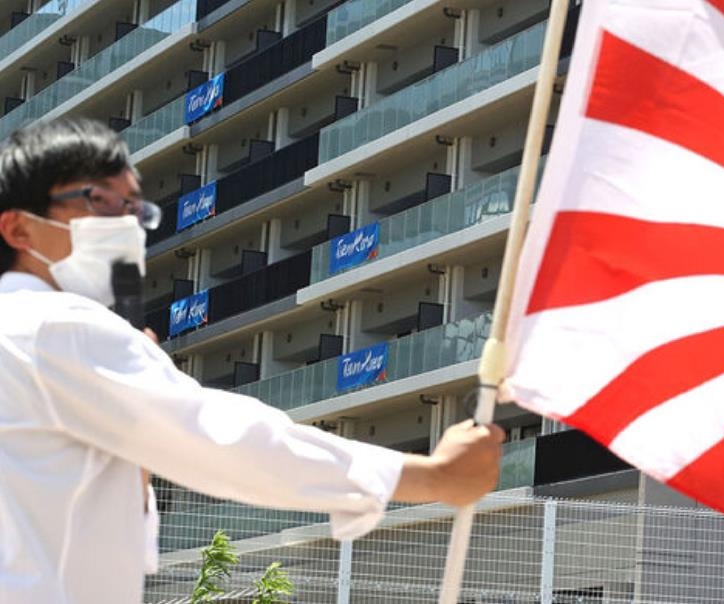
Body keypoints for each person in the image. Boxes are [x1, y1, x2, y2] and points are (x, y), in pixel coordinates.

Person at [0, 118, 504, 602]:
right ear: (19, 229)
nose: (125, 224)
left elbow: (79, 514)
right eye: (98, 200)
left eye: (135, 208)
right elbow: (222, 440)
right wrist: (431, 476)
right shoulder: (56, 326)